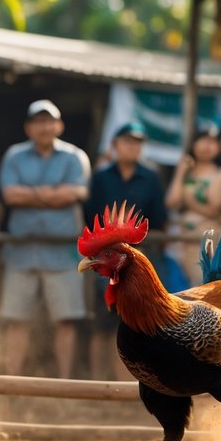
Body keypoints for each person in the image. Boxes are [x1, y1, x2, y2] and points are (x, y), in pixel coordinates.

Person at [0, 99, 90, 379]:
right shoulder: (14, 156)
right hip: (21, 253)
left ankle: (64, 384)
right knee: (17, 321)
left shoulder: (75, 156)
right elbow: (10, 195)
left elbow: (77, 193)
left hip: (63, 254)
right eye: (38, 121)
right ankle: (12, 382)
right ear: (28, 127)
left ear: (60, 125)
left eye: (49, 120)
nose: (44, 126)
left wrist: (31, 194)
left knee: (66, 321)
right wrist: (53, 194)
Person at [85, 122, 168, 379]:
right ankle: (98, 379)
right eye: (127, 141)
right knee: (103, 320)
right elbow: (90, 215)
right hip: (107, 259)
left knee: (138, 323)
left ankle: (132, 379)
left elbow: (159, 218)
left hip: (140, 257)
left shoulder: (151, 177)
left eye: (137, 143)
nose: (132, 147)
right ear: (115, 145)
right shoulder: (100, 177)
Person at [166, 126, 221, 282]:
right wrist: (180, 172)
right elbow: (171, 202)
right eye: (202, 140)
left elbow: (215, 208)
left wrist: (189, 200)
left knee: (199, 289)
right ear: (193, 144)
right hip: (179, 243)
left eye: (212, 142)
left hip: (204, 243)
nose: (206, 146)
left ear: (219, 147)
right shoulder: (186, 171)